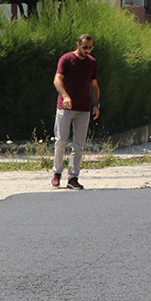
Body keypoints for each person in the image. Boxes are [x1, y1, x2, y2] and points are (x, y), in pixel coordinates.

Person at [51, 33, 99, 189]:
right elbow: (57, 79)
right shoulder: (66, 59)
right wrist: (65, 96)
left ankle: (73, 178)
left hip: (83, 108)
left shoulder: (92, 63)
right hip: (65, 108)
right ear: (78, 45)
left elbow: (94, 86)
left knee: (78, 145)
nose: (88, 51)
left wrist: (96, 104)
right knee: (61, 141)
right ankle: (57, 173)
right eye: (85, 47)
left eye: (90, 48)